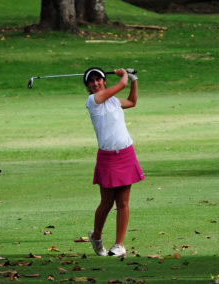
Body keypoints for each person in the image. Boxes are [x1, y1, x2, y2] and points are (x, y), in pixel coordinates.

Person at [84, 67, 145, 257]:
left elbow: (133, 102)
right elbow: (121, 84)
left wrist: (134, 80)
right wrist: (125, 76)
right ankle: (97, 237)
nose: (96, 83)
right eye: (91, 81)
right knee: (107, 202)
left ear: (104, 81)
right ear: (88, 86)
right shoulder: (92, 101)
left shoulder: (113, 101)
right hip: (108, 158)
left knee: (123, 202)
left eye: (98, 79)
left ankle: (119, 245)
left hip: (126, 154)